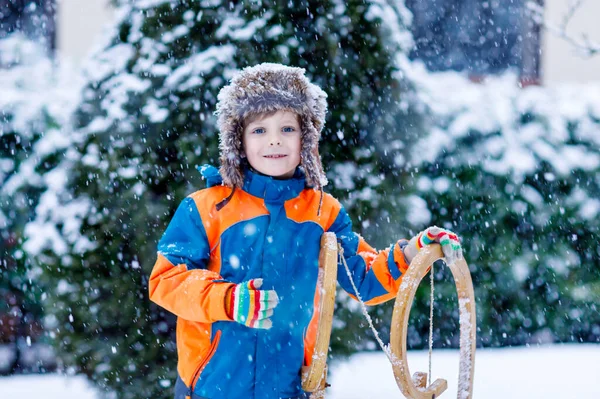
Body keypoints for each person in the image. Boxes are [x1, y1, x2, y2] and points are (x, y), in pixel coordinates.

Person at [148, 63, 462, 399]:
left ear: (306, 138)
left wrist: (413, 253)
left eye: (287, 129)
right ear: (237, 139)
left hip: (291, 387)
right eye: (258, 131)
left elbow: (365, 279)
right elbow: (167, 281)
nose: (274, 141)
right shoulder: (205, 208)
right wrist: (228, 299)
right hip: (213, 387)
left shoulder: (322, 212)